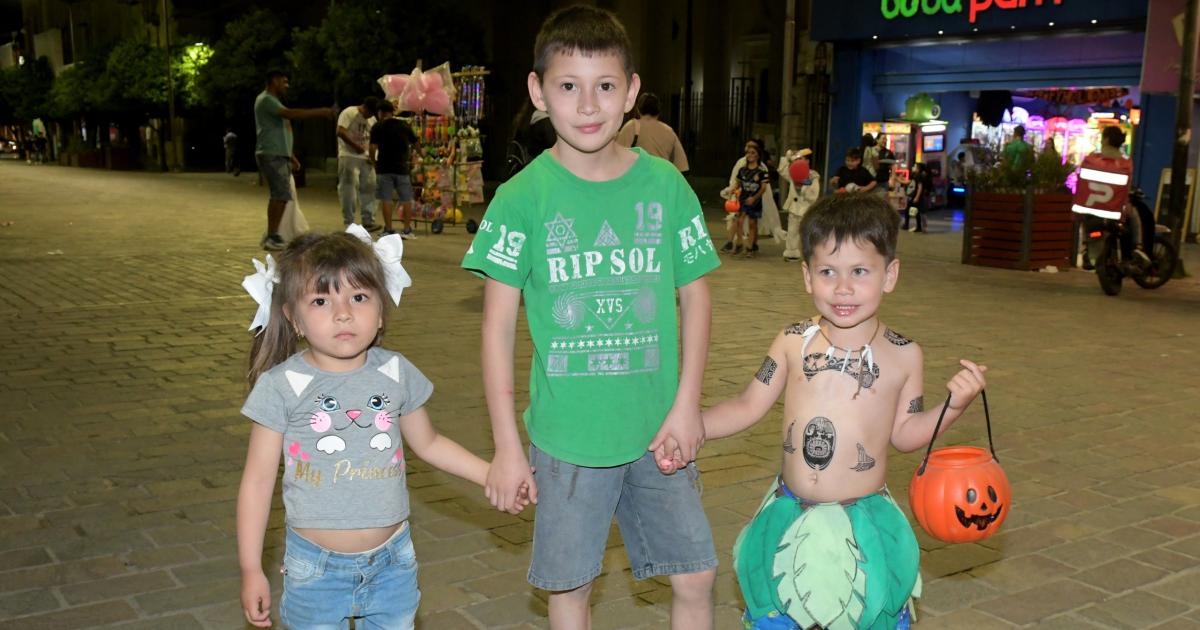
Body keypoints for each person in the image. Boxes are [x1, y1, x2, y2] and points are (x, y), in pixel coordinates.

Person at [460, 6, 720, 629]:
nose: (587, 104)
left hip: (658, 429)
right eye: (568, 86)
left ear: (630, 91)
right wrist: (505, 448)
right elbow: (496, 328)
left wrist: (688, 405)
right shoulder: (520, 199)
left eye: (605, 86)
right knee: (569, 586)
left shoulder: (665, 187)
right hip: (566, 439)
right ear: (537, 92)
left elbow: (698, 297)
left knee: (697, 573)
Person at [698, 193, 987, 630]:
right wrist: (692, 426)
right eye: (828, 272)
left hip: (863, 522)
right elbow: (746, 404)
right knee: (776, 616)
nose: (843, 288)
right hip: (787, 515)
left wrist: (955, 404)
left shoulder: (904, 354)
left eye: (860, 272)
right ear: (807, 276)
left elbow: (907, 434)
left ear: (890, 275)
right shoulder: (792, 341)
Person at [237, 229, 527, 629]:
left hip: (393, 563)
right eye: (321, 301)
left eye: (358, 297)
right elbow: (257, 482)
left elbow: (430, 443)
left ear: (381, 307)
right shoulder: (282, 386)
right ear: (293, 317)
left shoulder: (394, 373)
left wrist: (490, 474)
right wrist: (251, 567)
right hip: (314, 570)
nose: (343, 313)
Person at [254, 70, 334, 251]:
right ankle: (272, 235)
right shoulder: (266, 100)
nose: (287, 85)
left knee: (281, 194)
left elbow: (281, 132)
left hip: (277, 153)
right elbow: (291, 114)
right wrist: (320, 112)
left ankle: (272, 234)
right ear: (274, 81)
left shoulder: (271, 101)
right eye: (284, 81)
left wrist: (291, 155)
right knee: (280, 195)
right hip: (271, 153)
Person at [369, 100, 420, 239]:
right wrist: (419, 157)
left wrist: (374, 162)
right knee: (406, 199)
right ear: (392, 111)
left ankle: (389, 229)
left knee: (386, 199)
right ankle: (407, 230)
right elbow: (416, 143)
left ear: (380, 112)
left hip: (384, 168)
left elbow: (372, 148)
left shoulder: (377, 126)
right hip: (402, 167)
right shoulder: (403, 125)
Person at [337, 97, 381, 231]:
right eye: (370, 112)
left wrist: (374, 156)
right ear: (365, 107)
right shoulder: (349, 112)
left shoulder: (372, 120)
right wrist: (355, 146)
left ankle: (368, 220)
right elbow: (340, 131)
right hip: (349, 155)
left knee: (370, 187)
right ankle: (349, 222)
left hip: (366, 157)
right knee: (349, 189)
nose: (370, 116)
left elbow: (374, 139)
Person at [616, 92, 689, 172]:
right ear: (659, 110)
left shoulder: (631, 127)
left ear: (638, 109)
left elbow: (617, 156)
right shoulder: (668, 131)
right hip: (661, 178)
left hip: (638, 177)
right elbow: (682, 165)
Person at [728, 139, 770, 258]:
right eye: (748, 153)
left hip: (755, 201)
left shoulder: (762, 172)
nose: (750, 155)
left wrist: (754, 198)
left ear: (757, 155)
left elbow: (763, 188)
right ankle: (740, 243)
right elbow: (738, 184)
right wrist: (733, 189)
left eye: (753, 153)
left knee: (752, 223)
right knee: (739, 221)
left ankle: (750, 248)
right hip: (743, 199)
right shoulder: (742, 170)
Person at [780, 148, 820, 261]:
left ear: (807, 161)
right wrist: (787, 157)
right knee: (792, 230)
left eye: (801, 159)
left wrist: (804, 190)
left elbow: (814, 194)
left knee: (806, 231)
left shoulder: (813, 176)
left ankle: (808, 253)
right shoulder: (793, 172)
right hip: (794, 207)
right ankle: (791, 252)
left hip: (806, 208)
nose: (797, 161)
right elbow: (782, 170)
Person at [904, 162, 930, 232]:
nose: (913, 167)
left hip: (918, 197)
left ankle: (921, 227)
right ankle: (919, 227)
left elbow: (920, 187)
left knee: (920, 212)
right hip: (918, 197)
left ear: (918, 168)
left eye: (915, 166)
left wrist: (917, 197)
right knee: (917, 212)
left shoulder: (919, 176)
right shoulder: (918, 175)